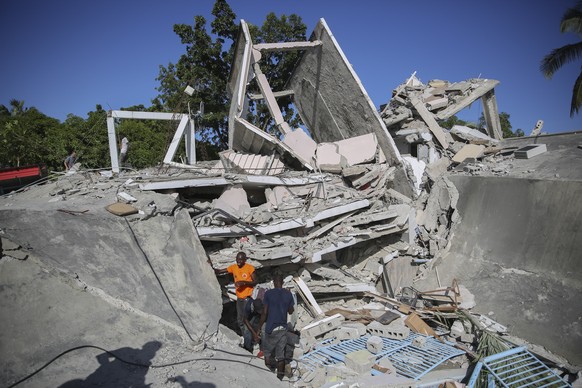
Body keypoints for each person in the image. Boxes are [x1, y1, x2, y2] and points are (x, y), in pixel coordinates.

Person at [258, 274, 294, 380]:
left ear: (273, 282)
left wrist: (259, 327)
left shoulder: (268, 293)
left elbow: (265, 312)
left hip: (271, 328)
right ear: (282, 282)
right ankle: (279, 378)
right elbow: (291, 311)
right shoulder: (288, 294)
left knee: (267, 353)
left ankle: (267, 377)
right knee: (280, 355)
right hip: (282, 328)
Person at [213, 252, 257, 337]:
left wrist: (243, 283)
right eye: (237, 259)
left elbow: (255, 282)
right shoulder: (234, 267)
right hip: (239, 298)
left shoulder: (250, 268)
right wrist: (210, 266)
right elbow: (220, 271)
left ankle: (251, 337)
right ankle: (245, 336)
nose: (238, 261)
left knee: (246, 320)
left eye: (240, 259)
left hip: (247, 298)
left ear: (245, 260)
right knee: (240, 320)